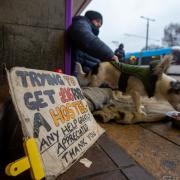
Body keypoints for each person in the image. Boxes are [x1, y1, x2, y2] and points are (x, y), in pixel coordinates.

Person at [68, 10, 118, 75]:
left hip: (88, 77)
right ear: (90, 19)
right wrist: (109, 55)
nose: (99, 25)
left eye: (101, 24)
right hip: (79, 77)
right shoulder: (81, 22)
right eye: (97, 21)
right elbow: (83, 35)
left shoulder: (92, 35)